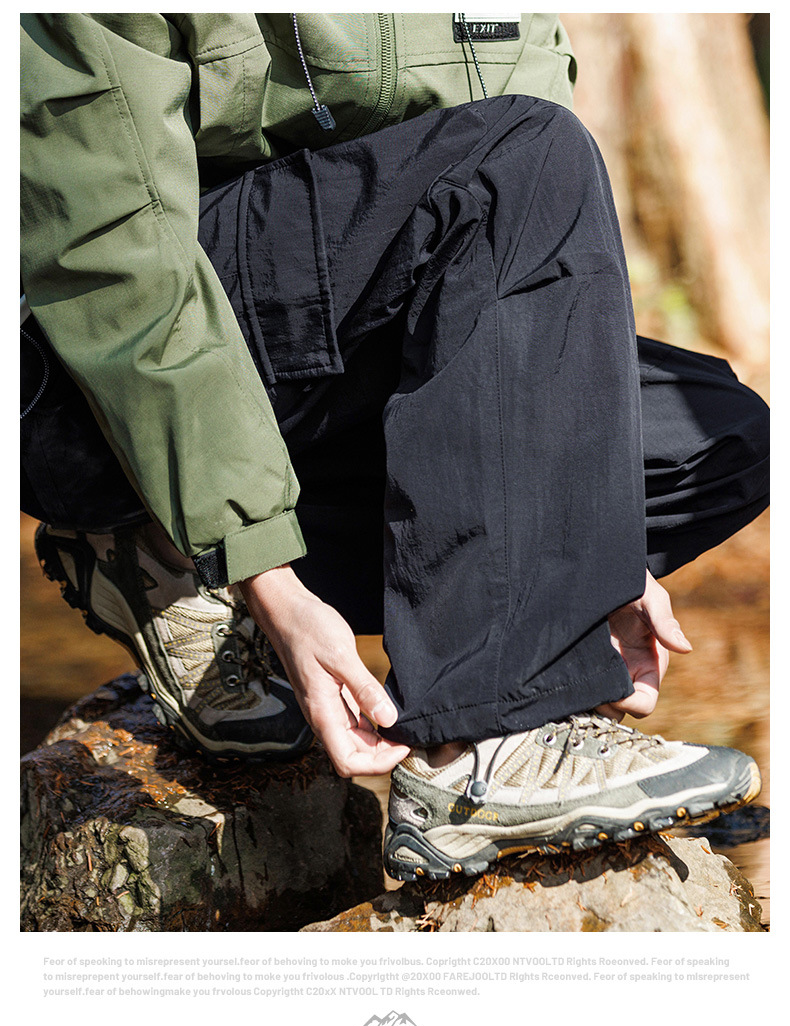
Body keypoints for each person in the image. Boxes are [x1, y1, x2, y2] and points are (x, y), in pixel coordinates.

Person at [21, 13, 768, 881]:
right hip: (87, 363)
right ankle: (485, 743)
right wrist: (260, 566)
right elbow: (110, 254)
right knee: (525, 153)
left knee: (713, 442)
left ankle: (179, 560)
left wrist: (579, 524)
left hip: (331, 323)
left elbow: (532, 234)